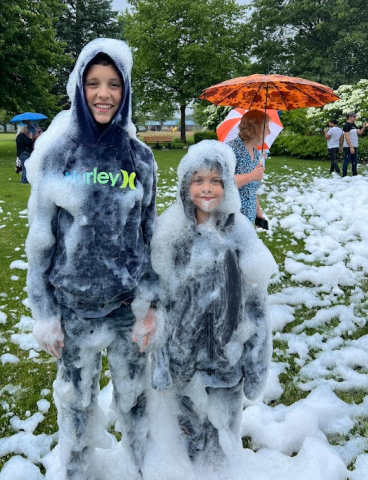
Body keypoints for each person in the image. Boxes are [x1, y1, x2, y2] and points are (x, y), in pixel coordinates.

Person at [26, 38, 157, 480]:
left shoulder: (140, 158)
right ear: (80, 88)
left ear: (126, 91)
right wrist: (44, 312)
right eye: (94, 83)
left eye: (114, 84)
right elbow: (40, 241)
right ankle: (77, 473)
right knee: (77, 407)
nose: (104, 93)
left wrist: (149, 305)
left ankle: (139, 470)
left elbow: (150, 235)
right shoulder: (57, 155)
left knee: (135, 401)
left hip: (126, 308)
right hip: (74, 311)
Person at [133, 140, 276, 465]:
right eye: (199, 180)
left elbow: (256, 307)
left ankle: (222, 466)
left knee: (224, 431)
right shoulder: (172, 233)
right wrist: (163, 363)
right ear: (186, 186)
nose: (207, 188)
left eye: (215, 180)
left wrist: (256, 365)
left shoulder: (240, 232)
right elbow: (161, 295)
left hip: (229, 356)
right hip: (185, 357)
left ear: (227, 185)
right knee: (190, 429)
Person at [227, 110, 270, 224]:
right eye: (266, 128)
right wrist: (251, 176)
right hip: (231, 217)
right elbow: (222, 183)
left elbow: (251, 190)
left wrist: (258, 213)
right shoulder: (230, 150)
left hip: (249, 218)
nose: (269, 132)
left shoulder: (256, 154)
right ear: (256, 129)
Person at [342, 111, 367, 177]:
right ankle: (344, 175)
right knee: (347, 161)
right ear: (350, 117)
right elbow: (347, 137)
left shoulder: (354, 125)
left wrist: (363, 127)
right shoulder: (346, 125)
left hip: (355, 146)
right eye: (354, 117)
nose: (355, 118)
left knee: (355, 161)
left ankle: (354, 174)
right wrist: (351, 147)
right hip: (348, 146)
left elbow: (360, 133)